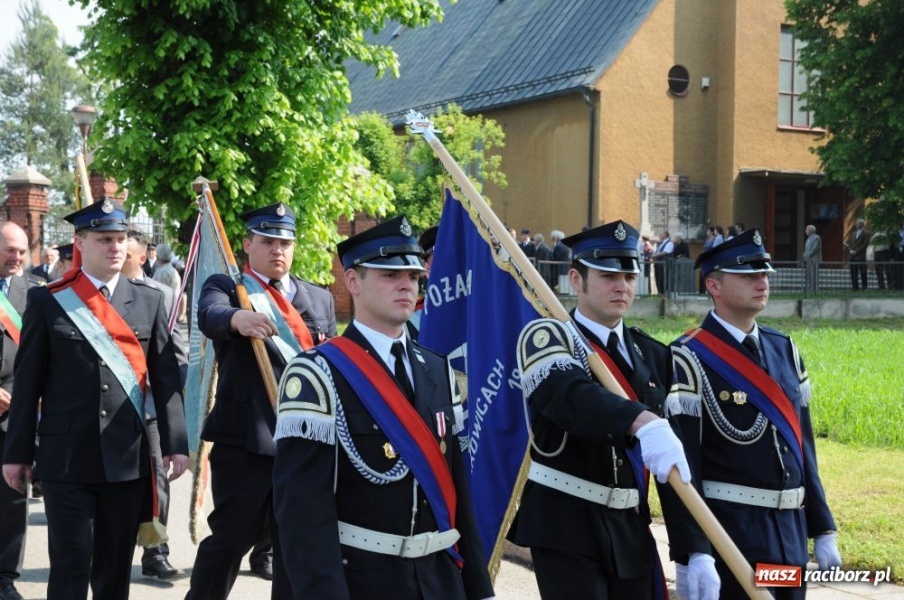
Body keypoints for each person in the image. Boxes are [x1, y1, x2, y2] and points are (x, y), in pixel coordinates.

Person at [272, 215, 494, 599]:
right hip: (364, 579)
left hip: (440, 579)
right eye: (390, 275)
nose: (407, 285)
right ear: (352, 281)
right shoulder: (317, 375)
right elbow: (303, 514)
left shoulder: (439, 369)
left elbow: (461, 496)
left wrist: (480, 588)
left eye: (413, 275)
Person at [507, 220, 710, 600]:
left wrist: (692, 549)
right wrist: (642, 421)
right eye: (608, 276)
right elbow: (571, 398)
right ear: (576, 279)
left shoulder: (652, 354)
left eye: (629, 276)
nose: (622, 286)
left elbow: (670, 459)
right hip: (565, 524)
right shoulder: (548, 338)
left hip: (630, 525)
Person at [2, 200, 188, 600]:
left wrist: (176, 444)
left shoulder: (151, 299)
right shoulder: (48, 301)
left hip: (126, 460)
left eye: (121, 239)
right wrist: (17, 453)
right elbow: (28, 384)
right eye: (105, 239)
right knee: (70, 567)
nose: (115, 247)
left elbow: (165, 378)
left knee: (113, 571)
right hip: (67, 461)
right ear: (81, 242)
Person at [665, 229, 841, 599]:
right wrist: (694, 550)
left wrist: (823, 527)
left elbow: (804, 447)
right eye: (748, 276)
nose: (761, 283)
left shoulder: (784, 348)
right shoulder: (687, 356)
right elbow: (683, 467)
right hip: (733, 534)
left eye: (764, 274)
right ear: (713, 285)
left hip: (789, 534)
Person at [186, 202, 337, 599]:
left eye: (285, 243)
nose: (277, 250)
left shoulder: (319, 298)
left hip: (303, 442)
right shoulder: (228, 287)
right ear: (247, 244)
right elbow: (210, 314)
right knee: (231, 539)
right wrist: (238, 319)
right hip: (246, 441)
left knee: (292, 545)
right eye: (267, 241)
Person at [121, 230, 189, 580]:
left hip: (146, 407)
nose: (117, 257)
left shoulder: (162, 295)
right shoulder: (91, 296)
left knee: (156, 480)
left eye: (126, 254)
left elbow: (175, 355)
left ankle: (155, 551)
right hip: (105, 410)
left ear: (142, 258)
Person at [0, 223, 44, 600]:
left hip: (14, 415)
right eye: (9, 249)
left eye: (22, 250)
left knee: (12, 501)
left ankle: (4, 578)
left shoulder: (34, 293)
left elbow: (41, 355)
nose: (17, 257)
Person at [153, 243, 187, 323]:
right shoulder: (172, 271)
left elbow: (159, 295)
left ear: (158, 257)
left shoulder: (162, 273)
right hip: (172, 310)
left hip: (164, 313)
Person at [847, 218, 869, 291]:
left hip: (861, 256)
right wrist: (850, 250)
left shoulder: (866, 233)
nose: (857, 225)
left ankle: (864, 286)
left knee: (863, 272)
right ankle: (855, 286)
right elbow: (850, 244)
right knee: (853, 272)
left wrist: (856, 251)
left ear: (862, 225)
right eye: (857, 223)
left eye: (858, 223)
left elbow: (865, 244)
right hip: (852, 256)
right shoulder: (853, 233)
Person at [651, 230, 674, 296]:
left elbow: (666, 252)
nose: (660, 235)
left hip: (664, 265)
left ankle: (664, 294)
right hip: (658, 264)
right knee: (658, 279)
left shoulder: (669, 243)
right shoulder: (661, 243)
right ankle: (660, 293)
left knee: (663, 279)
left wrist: (655, 255)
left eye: (661, 234)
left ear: (666, 235)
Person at [802, 224, 822, 293]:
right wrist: (804, 255)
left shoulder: (817, 238)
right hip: (808, 260)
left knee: (814, 275)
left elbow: (815, 248)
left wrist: (808, 255)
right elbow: (807, 249)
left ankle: (815, 289)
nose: (805, 231)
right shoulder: (808, 239)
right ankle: (810, 288)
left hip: (814, 259)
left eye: (806, 229)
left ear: (810, 230)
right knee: (809, 275)